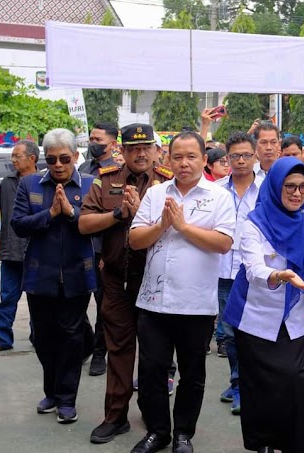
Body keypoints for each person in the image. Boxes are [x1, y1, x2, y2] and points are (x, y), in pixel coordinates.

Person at [128, 131, 235, 453]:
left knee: (192, 374)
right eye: (178, 157)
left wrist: (183, 226)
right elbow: (135, 240)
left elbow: (224, 243)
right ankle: (157, 432)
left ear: (205, 159)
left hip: (196, 304)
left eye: (191, 157)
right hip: (154, 302)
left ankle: (183, 434)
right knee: (151, 371)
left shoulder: (219, 197)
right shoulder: (156, 194)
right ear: (167, 159)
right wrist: (163, 224)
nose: (184, 163)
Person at [79, 123, 174, 445]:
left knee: (154, 355)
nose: (141, 153)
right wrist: (119, 213)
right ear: (123, 151)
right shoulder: (106, 180)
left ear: (157, 150)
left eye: (147, 146)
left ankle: (153, 415)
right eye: (134, 148)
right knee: (118, 351)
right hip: (117, 283)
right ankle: (115, 417)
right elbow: (84, 223)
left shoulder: (169, 182)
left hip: (157, 283)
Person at [224, 156, 304, 453]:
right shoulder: (255, 221)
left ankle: (293, 445)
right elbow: (253, 268)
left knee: (293, 381)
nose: (296, 194)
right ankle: (263, 443)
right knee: (258, 385)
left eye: (302, 188)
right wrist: (279, 275)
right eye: (289, 187)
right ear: (275, 187)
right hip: (254, 314)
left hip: (293, 314)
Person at [11, 128, 97, 424]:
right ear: (44, 160)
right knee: (43, 337)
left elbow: (94, 225)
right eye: (51, 159)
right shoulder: (30, 183)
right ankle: (51, 391)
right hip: (39, 275)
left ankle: (66, 399)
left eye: (64, 158)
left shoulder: (90, 184)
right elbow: (18, 224)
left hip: (77, 273)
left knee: (72, 337)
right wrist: (50, 213)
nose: (58, 165)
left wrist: (70, 213)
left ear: (75, 156)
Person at [216, 131, 265, 416]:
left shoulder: (267, 189)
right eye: (236, 156)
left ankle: (250, 384)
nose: (242, 160)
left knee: (254, 331)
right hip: (223, 270)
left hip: (255, 271)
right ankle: (238, 383)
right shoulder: (217, 189)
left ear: (255, 156)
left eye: (247, 155)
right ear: (228, 158)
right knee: (230, 332)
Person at [0, 140, 36, 354]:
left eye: (17, 156)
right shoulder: (7, 182)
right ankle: (3, 337)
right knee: (7, 297)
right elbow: (2, 215)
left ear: (32, 159)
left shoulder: (42, 181)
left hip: (35, 250)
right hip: (11, 249)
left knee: (37, 299)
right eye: (12, 155)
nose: (13, 160)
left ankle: (38, 336)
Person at [80, 122, 121, 376]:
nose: (93, 142)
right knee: (80, 300)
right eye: (91, 138)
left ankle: (99, 352)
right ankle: (85, 345)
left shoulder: (117, 172)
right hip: (82, 245)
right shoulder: (84, 168)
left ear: (113, 144)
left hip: (104, 249)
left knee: (104, 303)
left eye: (98, 139)